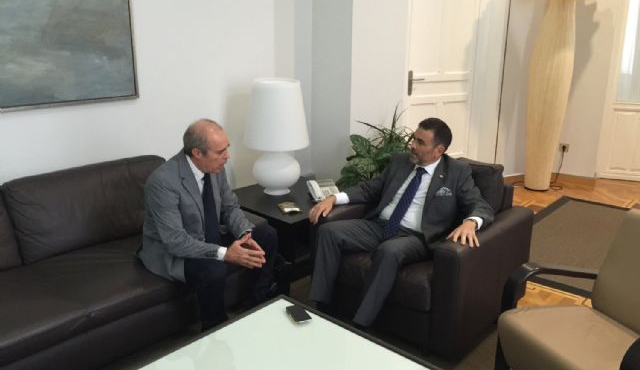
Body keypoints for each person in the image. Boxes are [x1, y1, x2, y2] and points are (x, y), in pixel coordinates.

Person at [308, 117, 494, 328]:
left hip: (416, 236)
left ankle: (360, 324)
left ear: (439, 150)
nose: (412, 145)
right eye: (414, 139)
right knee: (328, 232)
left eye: (420, 142)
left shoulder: (457, 172)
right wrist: (334, 198)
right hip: (379, 226)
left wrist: (471, 222)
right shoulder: (400, 161)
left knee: (389, 251)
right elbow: (370, 189)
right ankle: (320, 307)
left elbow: (480, 205)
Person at [139, 119, 277, 330]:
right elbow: (176, 241)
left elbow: (230, 207)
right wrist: (226, 253)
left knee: (267, 234)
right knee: (213, 270)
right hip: (176, 250)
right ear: (197, 153)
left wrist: (245, 234)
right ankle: (215, 328)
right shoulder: (163, 182)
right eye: (221, 152)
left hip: (208, 235)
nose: (227, 156)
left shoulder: (216, 168)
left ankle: (258, 303)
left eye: (227, 148)